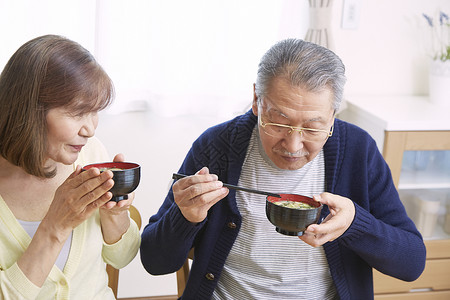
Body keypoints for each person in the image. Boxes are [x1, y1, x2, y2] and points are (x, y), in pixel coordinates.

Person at [140, 39, 426, 299]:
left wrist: (355, 225)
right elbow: (155, 261)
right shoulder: (217, 145)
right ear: (256, 100)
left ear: (333, 116)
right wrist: (185, 217)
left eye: (313, 128)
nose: (293, 145)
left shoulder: (358, 150)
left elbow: (412, 264)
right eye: (278, 122)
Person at [0, 35, 140, 299]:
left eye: (95, 111)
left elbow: (122, 258)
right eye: (77, 113)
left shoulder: (91, 153)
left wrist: (115, 213)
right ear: (29, 111)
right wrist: (54, 226)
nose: (90, 129)